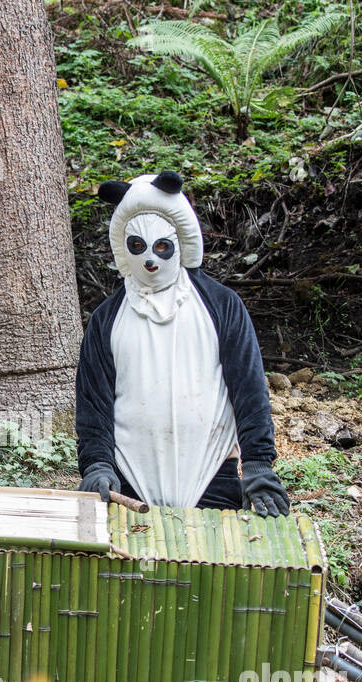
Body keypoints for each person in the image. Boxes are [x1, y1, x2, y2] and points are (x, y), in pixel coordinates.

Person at [75, 171, 289, 516]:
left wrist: (258, 465)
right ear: (124, 246)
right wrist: (97, 464)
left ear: (179, 240)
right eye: (138, 247)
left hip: (211, 476)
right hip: (128, 480)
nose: (150, 259)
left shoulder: (221, 305)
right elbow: (93, 403)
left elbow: (249, 390)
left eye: (162, 247)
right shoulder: (106, 319)